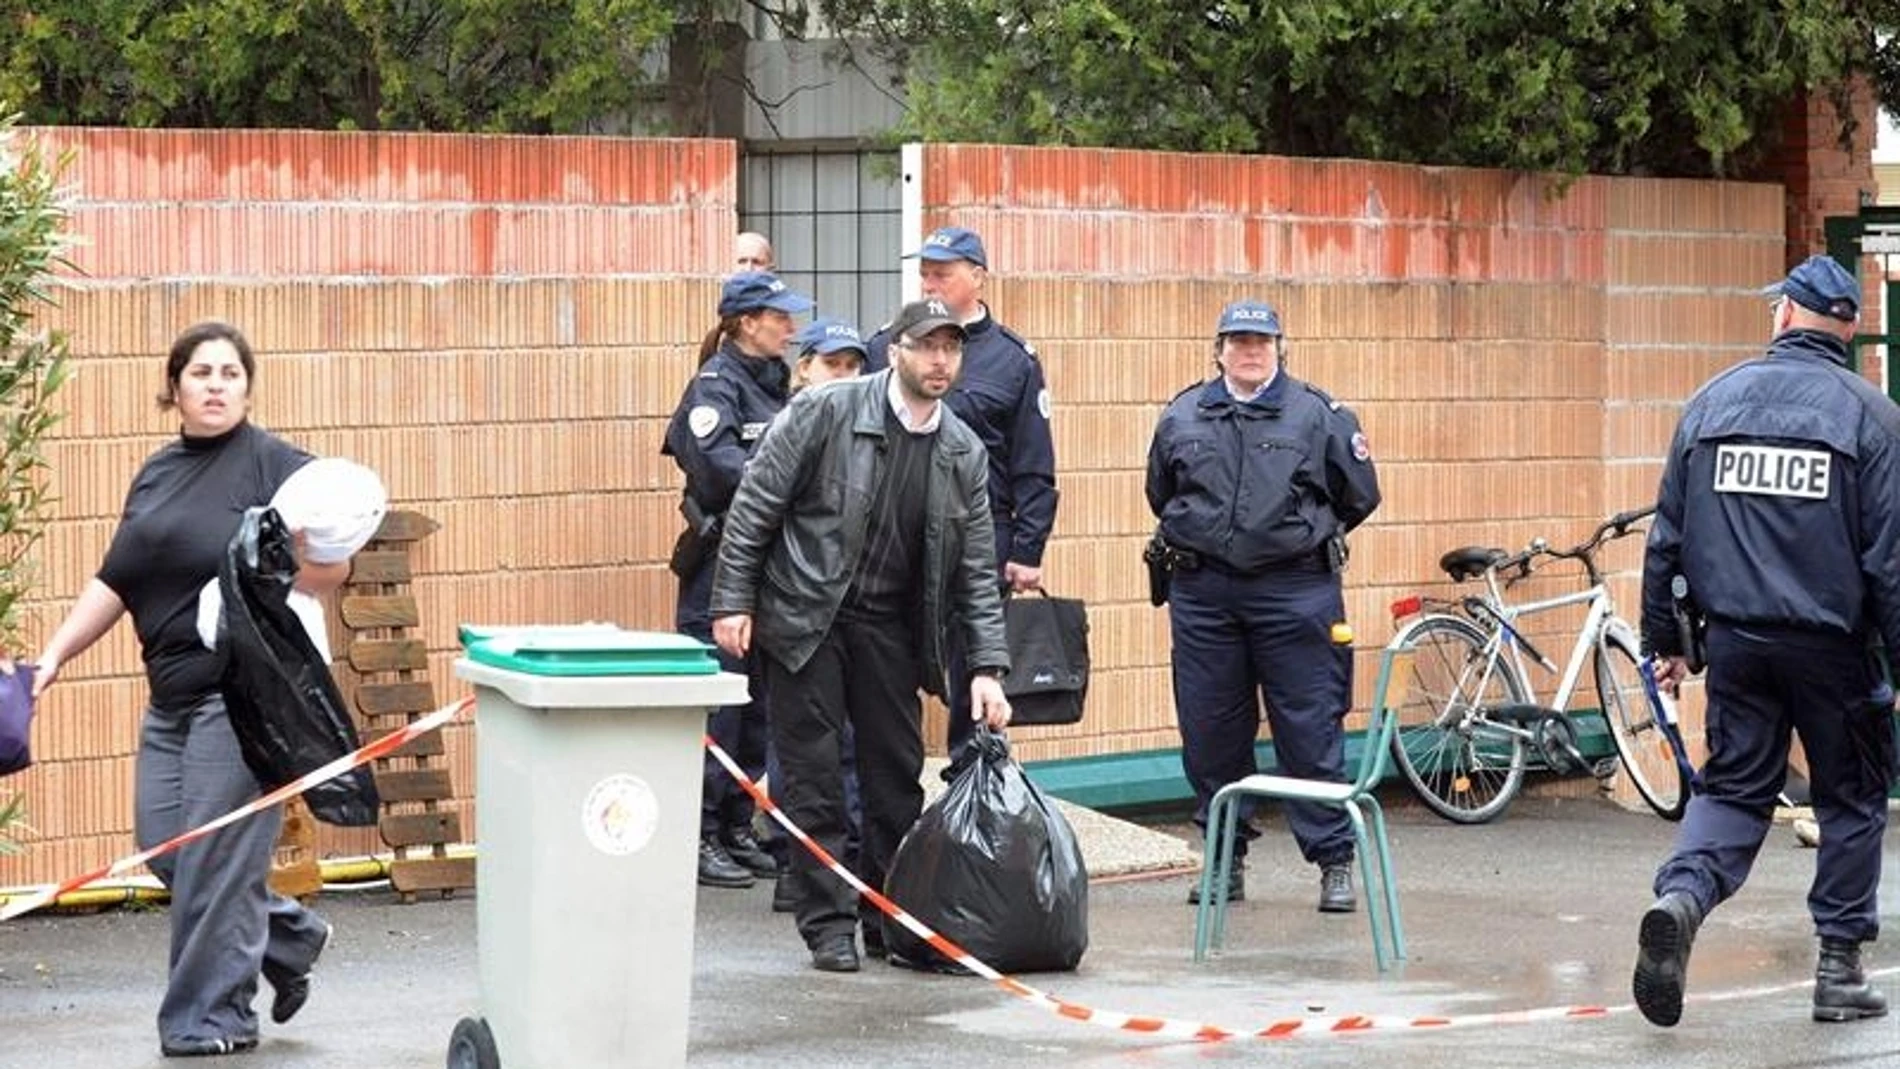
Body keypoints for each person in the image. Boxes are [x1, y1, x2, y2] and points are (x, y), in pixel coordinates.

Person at [29, 321, 343, 1058]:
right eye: (200, 371)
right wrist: (53, 657)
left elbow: (333, 567)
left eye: (230, 372)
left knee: (211, 852)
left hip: (241, 696)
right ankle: (290, 935)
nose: (215, 384)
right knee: (168, 846)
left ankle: (213, 1017)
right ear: (173, 387)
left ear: (247, 386)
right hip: (169, 697)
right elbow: (115, 580)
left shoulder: (277, 466)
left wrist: (296, 564)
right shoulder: (157, 473)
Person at [1632, 254, 1899, 1029]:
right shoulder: (1871, 418)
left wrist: (1668, 640)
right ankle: (1839, 969)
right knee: (1850, 797)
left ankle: (1681, 898)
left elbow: (1667, 538)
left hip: (1739, 644)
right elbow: (1890, 560)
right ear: (1847, 330)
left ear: (1785, 316)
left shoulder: (1712, 403)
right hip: (1834, 649)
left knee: (1735, 791)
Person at [710, 298, 1013, 973]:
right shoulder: (828, 410)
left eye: (952, 349)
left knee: (894, 780)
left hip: (890, 627)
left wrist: (989, 665)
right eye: (927, 346)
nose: (940, 360)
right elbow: (756, 504)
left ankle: (887, 918)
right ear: (895, 350)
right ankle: (828, 925)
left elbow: (974, 565)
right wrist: (732, 600)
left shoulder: (961, 448)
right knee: (814, 779)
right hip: (806, 617)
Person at [1144, 299, 1381, 913]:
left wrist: (1293, 538)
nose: (1251, 352)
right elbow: (1161, 492)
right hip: (1204, 596)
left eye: (1262, 341)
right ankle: (1225, 861)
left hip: (1295, 592)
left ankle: (1333, 861)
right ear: (1217, 347)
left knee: (1310, 726)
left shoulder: (1317, 416)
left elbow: (1359, 495)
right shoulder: (1183, 414)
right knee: (1211, 731)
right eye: (1238, 341)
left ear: (1281, 347)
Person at [864, 227, 1057, 758]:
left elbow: (1033, 461)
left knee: (976, 664)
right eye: (925, 272)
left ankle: (971, 788)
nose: (930, 282)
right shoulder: (887, 343)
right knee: (889, 658)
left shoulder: (1013, 358)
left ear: (977, 276)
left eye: (942, 273)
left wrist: (1027, 549)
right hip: (894, 533)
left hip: (977, 533)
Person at [663, 270, 813, 890]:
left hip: (767, 566)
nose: (791, 327)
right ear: (747, 322)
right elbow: (720, 468)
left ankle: (733, 825)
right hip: (720, 566)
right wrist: (785, 479)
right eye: (780, 317)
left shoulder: (775, 383)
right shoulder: (715, 387)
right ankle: (698, 833)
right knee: (717, 708)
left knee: (756, 708)